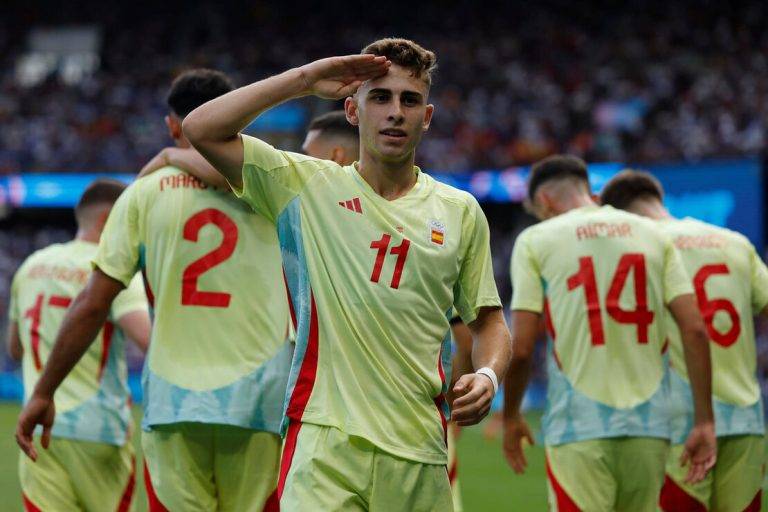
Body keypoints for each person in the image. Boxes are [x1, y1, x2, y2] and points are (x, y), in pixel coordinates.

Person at [182, 38, 512, 510]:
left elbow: (488, 322)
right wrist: (303, 80)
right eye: (379, 97)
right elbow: (202, 128)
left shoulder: (460, 211)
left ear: (427, 116)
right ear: (353, 111)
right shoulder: (305, 186)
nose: (395, 112)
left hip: (419, 449)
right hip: (324, 444)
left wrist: (488, 375)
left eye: (409, 100)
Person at [16, 69, 292, 512]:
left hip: (173, 402)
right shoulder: (271, 183)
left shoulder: (143, 192)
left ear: (171, 124)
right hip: (260, 400)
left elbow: (93, 302)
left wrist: (45, 390)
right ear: (237, 116)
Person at [503, 155, 716, 511]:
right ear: (591, 192)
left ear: (545, 202)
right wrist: (705, 421)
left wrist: (510, 417)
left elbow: (522, 348)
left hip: (578, 427)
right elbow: (694, 330)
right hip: (651, 427)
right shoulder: (653, 234)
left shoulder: (536, 239)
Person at [600, 169, 768, 512]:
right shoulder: (735, 242)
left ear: (619, 215)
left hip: (676, 422)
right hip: (744, 417)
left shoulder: (637, 249)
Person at [9, 179, 150, 511]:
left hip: (38, 426)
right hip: (98, 430)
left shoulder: (31, 265)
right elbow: (149, 341)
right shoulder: (112, 269)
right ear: (109, 222)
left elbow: (16, 348)